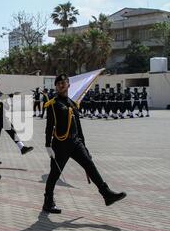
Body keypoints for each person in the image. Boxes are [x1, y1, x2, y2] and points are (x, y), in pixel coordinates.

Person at [43, 74, 127, 214]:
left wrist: (84, 146)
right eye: (58, 83)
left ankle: (106, 194)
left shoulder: (73, 103)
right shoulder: (53, 104)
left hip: (76, 143)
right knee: (54, 174)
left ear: (68, 85)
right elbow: (49, 126)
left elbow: (78, 127)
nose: (61, 85)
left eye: (64, 82)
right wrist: (47, 145)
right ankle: (48, 202)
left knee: (90, 165)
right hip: (61, 144)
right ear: (56, 87)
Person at [0, 78, 34, 165]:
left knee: (13, 133)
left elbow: (6, 106)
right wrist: (11, 95)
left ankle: (22, 148)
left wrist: (7, 102)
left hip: (4, 118)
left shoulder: (2, 94)